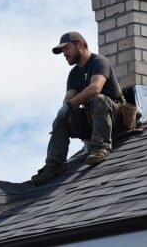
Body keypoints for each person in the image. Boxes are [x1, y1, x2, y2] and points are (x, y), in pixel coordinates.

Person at [31, 31, 126, 185]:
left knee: (98, 99)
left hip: (115, 118)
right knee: (63, 117)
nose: (64, 54)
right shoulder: (74, 74)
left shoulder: (99, 62)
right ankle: (54, 165)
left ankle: (101, 147)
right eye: (63, 51)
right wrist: (65, 109)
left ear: (80, 44)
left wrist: (69, 104)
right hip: (93, 121)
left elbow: (95, 88)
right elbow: (69, 99)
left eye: (67, 48)